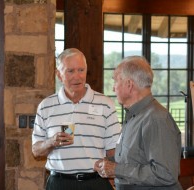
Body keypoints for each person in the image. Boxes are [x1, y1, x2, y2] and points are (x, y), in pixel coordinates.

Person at [32, 48, 121, 190]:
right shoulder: (46, 106)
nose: (77, 77)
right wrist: (51, 142)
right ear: (59, 75)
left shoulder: (105, 104)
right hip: (59, 183)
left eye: (81, 70)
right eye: (70, 71)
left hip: (96, 183)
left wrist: (114, 182)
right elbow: (36, 150)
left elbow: (113, 150)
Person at [94, 56, 182, 190]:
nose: (113, 88)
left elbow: (166, 173)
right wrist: (108, 164)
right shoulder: (134, 115)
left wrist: (117, 170)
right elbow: (135, 160)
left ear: (129, 85)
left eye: (116, 81)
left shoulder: (156, 119)